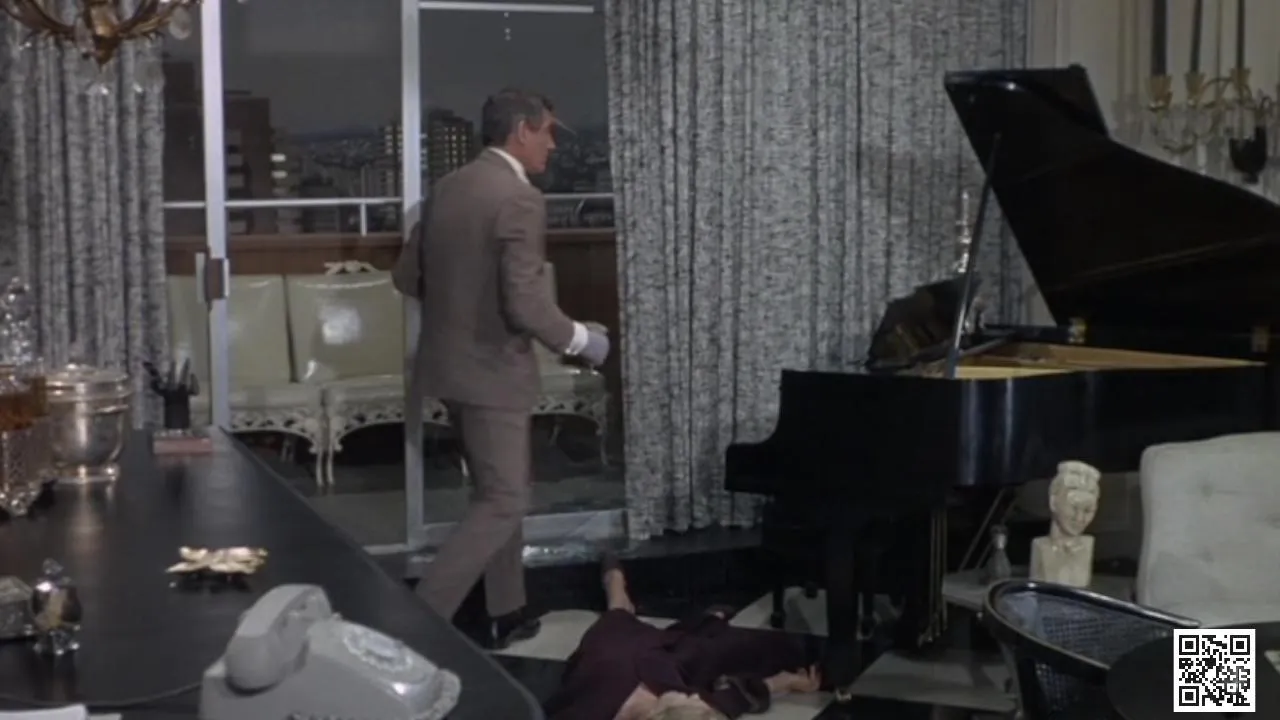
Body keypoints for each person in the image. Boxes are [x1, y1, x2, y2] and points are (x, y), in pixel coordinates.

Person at [392, 88, 610, 648]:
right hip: (492, 373)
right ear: (521, 131)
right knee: (505, 499)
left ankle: (505, 610)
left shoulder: (449, 187)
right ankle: (413, 628)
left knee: (498, 490)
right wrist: (586, 342)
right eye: (548, 132)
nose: (553, 145)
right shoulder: (518, 198)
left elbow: (405, 276)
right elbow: (527, 304)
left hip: (449, 368)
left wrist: (464, 304)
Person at [544, 555, 822, 720]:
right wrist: (784, 682)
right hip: (658, 659)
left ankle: (615, 586)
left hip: (615, 655)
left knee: (619, 614)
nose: (692, 698)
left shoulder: (589, 712)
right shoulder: (681, 705)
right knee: (721, 652)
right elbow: (726, 701)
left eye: (687, 701)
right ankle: (701, 622)